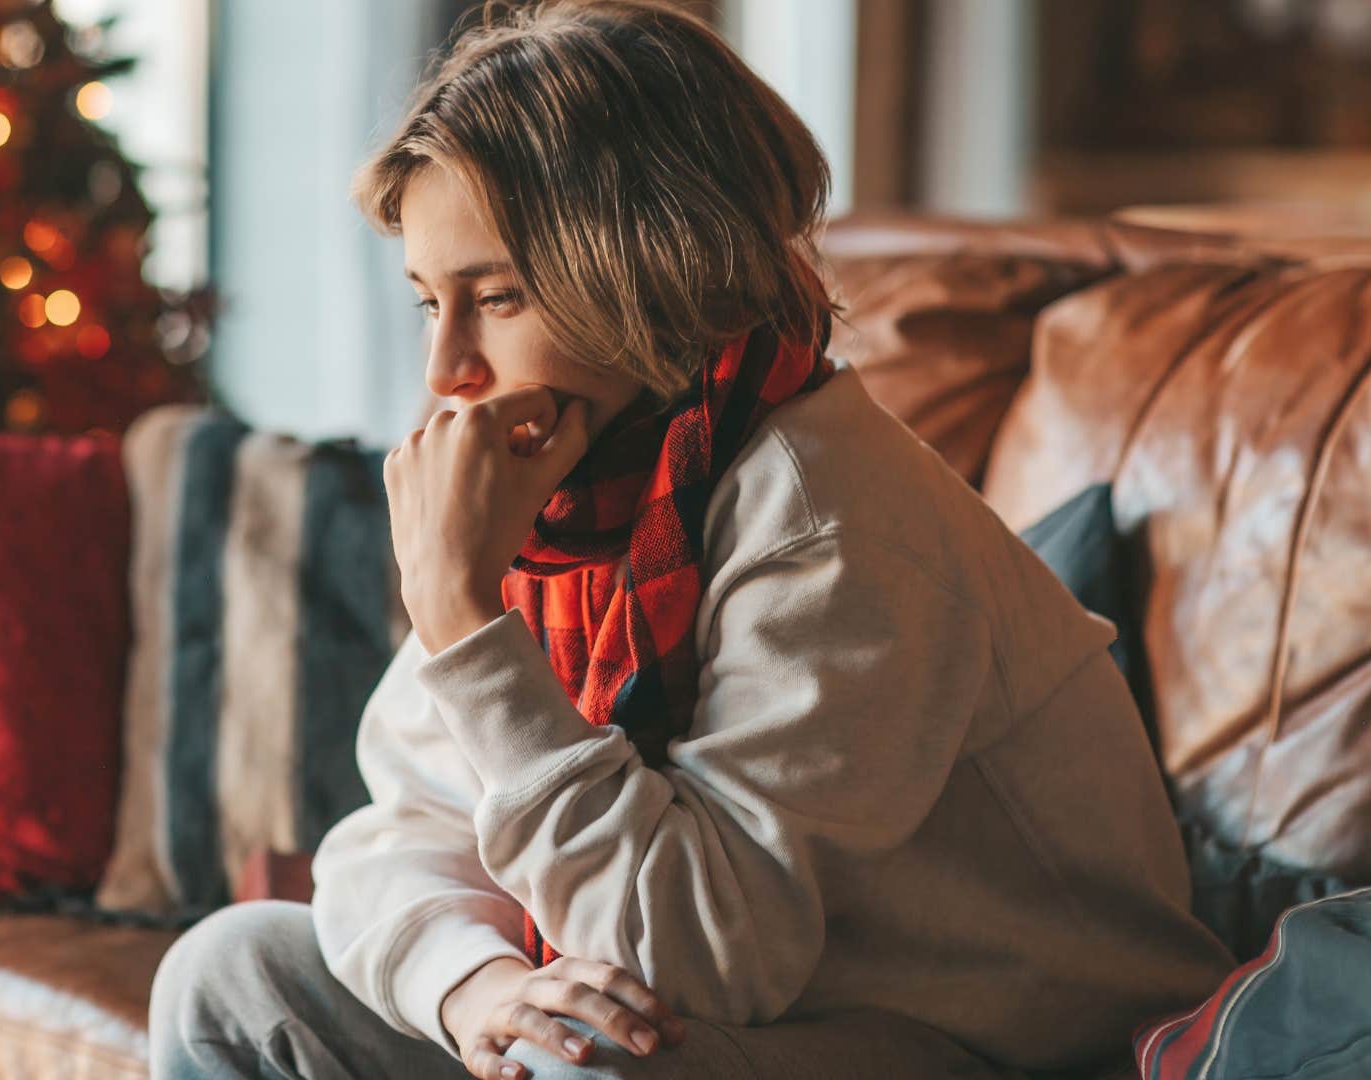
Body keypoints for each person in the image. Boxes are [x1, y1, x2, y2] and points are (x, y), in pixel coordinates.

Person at [149, 2, 1235, 1077]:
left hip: (999, 1042)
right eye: (431, 301)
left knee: (592, 1056)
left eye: (499, 296)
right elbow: (402, 832)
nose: (447, 372)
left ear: (647, 270)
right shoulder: (571, 498)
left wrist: (465, 622)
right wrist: (476, 986)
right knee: (229, 974)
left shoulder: (825, 516)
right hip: (761, 1012)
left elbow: (699, 963)